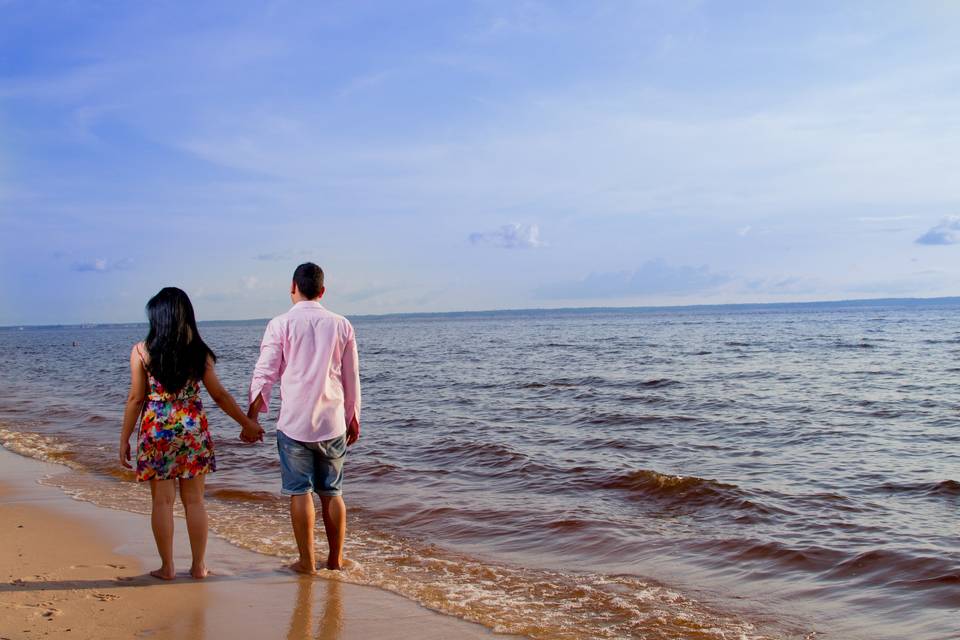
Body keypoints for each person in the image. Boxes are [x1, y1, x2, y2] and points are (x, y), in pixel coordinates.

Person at [119, 287, 264, 580]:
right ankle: (199, 566)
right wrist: (245, 423)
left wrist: (124, 438)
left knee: (162, 502)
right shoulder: (199, 353)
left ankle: (167, 567)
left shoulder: (141, 352)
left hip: (157, 429)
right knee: (195, 501)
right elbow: (220, 395)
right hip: (192, 428)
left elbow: (135, 399)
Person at [247, 262, 361, 574]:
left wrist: (252, 418)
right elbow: (351, 378)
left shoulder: (279, 324)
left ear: (292, 288)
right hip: (332, 422)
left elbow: (265, 373)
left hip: (294, 424)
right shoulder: (342, 325)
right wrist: (353, 417)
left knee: (300, 492)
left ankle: (307, 563)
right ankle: (336, 560)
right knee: (333, 493)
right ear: (322, 291)